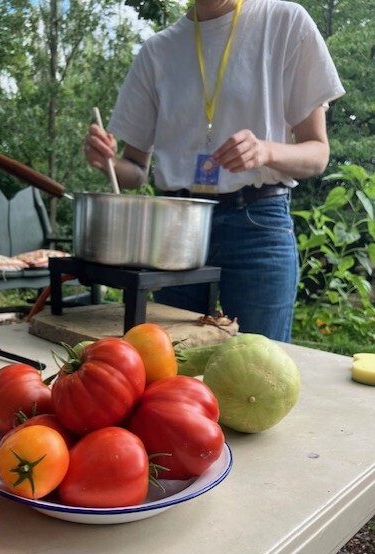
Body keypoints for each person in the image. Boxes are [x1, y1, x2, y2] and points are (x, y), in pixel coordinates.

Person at [83, 0, 345, 343]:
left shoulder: (285, 22)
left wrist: (266, 150)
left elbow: (318, 153)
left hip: (257, 225)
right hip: (175, 229)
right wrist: (108, 163)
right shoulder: (157, 50)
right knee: (171, 371)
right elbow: (135, 170)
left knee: (259, 374)